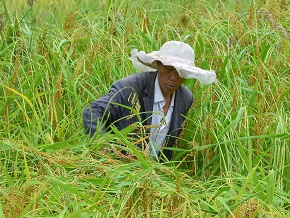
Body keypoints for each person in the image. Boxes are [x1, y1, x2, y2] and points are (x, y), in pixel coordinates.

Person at [83, 40, 218, 161]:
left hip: (152, 173)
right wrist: (102, 141)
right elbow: (93, 111)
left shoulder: (185, 98)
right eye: (169, 69)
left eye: (181, 72)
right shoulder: (131, 87)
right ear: (158, 65)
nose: (174, 77)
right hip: (118, 167)